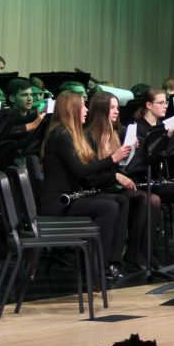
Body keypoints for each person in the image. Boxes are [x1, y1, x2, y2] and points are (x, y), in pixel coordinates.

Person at [39, 91, 133, 281]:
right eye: (82, 105)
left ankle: (111, 262)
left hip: (70, 197)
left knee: (121, 200)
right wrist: (113, 159)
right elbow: (82, 171)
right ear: (72, 109)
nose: (86, 110)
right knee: (109, 207)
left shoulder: (68, 133)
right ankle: (95, 266)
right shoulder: (61, 135)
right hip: (57, 203)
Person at [85, 91, 152, 269]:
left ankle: (132, 254)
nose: (116, 111)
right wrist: (116, 171)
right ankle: (113, 258)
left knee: (144, 198)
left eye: (117, 107)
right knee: (127, 199)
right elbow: (92, 173)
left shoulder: (117, 132)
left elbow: (121, 166)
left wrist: (131, 151)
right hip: (98, 186)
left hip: (111, 183)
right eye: (111, 108)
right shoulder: (90, 136)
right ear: (100, 111)